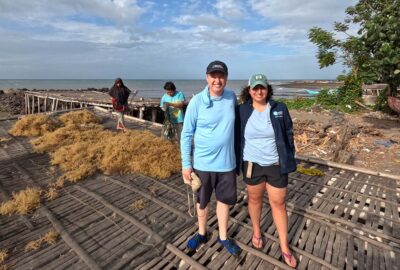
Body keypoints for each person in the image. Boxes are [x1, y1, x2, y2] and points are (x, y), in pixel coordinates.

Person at [236, 74, 297, 268]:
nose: (259, 91)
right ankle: (256, 231)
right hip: (252, 165)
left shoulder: (279, 108)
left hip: (276, 165)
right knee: (254, 200)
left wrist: (288, 155)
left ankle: (285, 247)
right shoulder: (241, 110)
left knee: (278, 203)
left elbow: (289, 133)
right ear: (249, 90)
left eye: (262, 87)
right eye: (255, 88)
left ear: (267, 89)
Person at [181, 60, 241, 257]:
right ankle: (202, 233)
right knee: (202, 202)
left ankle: (223, 237)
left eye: (221, 76)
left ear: (226, 78)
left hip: (227, 164)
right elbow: (186, 134)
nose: (217, 80)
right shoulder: (197, 101)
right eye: (213, 76)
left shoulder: (232, 97)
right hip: (203, 164)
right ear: (207, 77)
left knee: (224, 201)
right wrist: (186, 164)